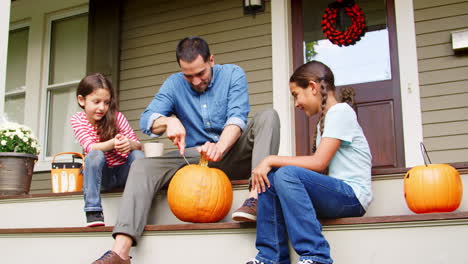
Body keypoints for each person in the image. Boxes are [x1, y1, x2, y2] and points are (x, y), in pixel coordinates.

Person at [91, 36, 280, 264]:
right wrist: (168, 121)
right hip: (194, 159)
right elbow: (146, 120)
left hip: (232, 152)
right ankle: (120, 251)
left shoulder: (233, 74)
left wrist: (219, 146)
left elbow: (237, 119)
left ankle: (254, 199)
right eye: (188, 75)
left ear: (211, 60)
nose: (196, 81)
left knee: (268, 116)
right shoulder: (174, 83)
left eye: (201, 73)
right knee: (141, 165)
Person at [246, 61, 372, 264]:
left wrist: (269, 159)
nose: (296, 103)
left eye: (296, 94)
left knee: (286, 173)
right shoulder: (326, 120)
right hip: (335, 195)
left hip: (352, 196)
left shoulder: (341, 112)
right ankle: (271, 257)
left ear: (313, 87)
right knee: (271, 178)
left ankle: (316, 256)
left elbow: (319, 162)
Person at [71, 73, 144, 227]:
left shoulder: (117, 117)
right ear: (81, 100)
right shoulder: (78, 119)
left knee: (137, 155)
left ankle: (138, 205)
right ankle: (93, 210)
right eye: (96, 102)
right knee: (95, 155)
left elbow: (138, 145)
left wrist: (128, 144)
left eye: (106, 102)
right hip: (102, 177)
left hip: (121, 173)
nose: (102, 108)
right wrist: (113, 143)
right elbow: (90, 147)